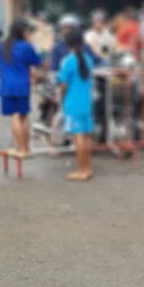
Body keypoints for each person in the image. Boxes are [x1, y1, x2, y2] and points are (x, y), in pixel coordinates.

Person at [0, 18, 42, 158]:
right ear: (22, 31)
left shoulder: (2, 46)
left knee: (14, 116)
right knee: (23, 116)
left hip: (7, 86)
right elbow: (37, 62)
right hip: (22, 86)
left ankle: (20, 148)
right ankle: (26, 148)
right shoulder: (26, 47)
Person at [57, 29, 96, 181]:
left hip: (73, 103)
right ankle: (87, 168)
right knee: (86, 136)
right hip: (87, 102)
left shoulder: (67, 61)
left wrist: (61, 98)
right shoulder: (88, 59)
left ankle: (82, 170)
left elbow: (63, 84)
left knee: (78, 137)